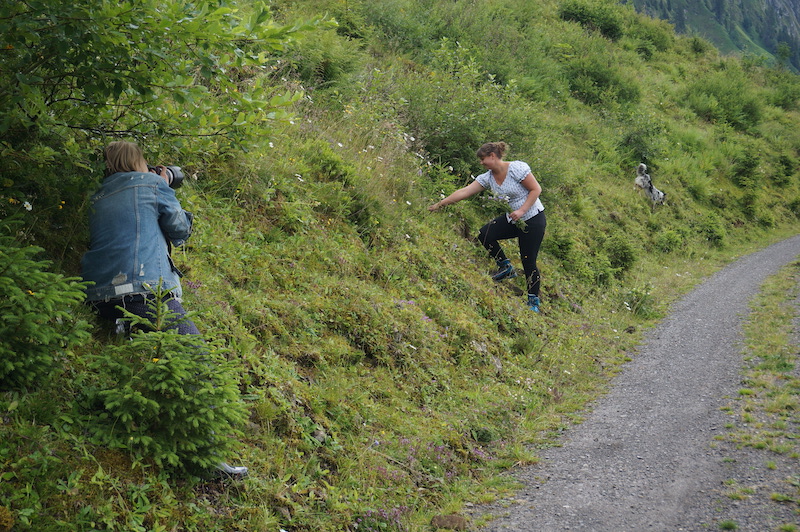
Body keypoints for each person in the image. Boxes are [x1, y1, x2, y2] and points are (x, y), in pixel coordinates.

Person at [81, 140, 247, 477]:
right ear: (138, 161)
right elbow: (179, 229)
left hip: (99, 297)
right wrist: (165, 184)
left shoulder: (97, 196)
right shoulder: (151, 184)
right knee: (196, 358)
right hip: (144, 290)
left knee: (152, 361)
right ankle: (207, 458)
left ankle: (151, 437)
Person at [428, 142, 546, 312]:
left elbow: (536, 189)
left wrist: (522, 210)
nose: (481, 162)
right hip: (513, 219)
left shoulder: (516, 168)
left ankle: (533, 301)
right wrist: (439, 205)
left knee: (528, 260)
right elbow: (465, 191)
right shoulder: (488, 178)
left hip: (533, 219)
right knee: (485, 234)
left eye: (483, 159)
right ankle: (505, 267)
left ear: (492, 156)